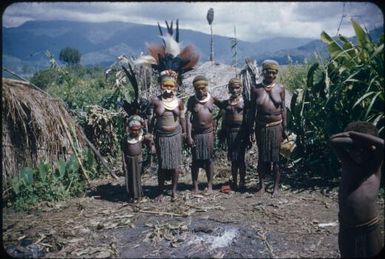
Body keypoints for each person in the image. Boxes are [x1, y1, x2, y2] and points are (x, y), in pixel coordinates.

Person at [329, 121, 384, 258]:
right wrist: (353, 137)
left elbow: (383, 144)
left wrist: (354, 135)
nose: (359, 152)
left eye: (364, 149)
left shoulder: (374, 167)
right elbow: (333, 140)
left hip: (369, 228)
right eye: (354, 148)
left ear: (372, 149)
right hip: (346, 227)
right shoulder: (347, 163)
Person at [248, 59, 286, 196]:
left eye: (274, 73)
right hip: (261, 127)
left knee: (275, 158)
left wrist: (285, 128)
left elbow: (283, 109)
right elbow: (252, 110)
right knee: (262, 157)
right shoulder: (256, 89)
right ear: (263, 73)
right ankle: (261, 186)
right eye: (268, 72)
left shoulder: (280, 89)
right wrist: (250, 129)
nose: (271, 75)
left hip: (276, 127)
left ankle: (276, 187)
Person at [150, 70, 186, 201]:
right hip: (161, 136)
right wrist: (150, 138)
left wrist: (185, 133)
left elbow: (183, 119)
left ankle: (174, 191)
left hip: (175, 136)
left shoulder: (179, 102)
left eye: (171, 86)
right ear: (161, 86)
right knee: (162, 165)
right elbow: (151, 120)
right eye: (166, 85)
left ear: (175, 87)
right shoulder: (155, 101)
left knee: (175, 165)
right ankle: (160, 191)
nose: (168, 89)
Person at [186, 75, 221, 193]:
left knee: (209, 159)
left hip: (209, 133)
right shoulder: (192, 100)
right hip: (196, 134)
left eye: (203, 88)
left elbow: (224, 107)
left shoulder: (213, 99)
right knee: (195, 160)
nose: (201, 91)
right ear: (195, 89)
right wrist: (189, 136)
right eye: (198, 89)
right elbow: (188, 119)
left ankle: (210, 185)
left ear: (207, 87)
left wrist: (217, 118)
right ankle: (195, 186)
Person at [218, 78, 249, 191]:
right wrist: (223, 132)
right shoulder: (226, 103)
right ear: (229, 89)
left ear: (241, 88)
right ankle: (235, 181)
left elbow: (249, 119)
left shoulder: (245, 102)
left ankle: (242, 182)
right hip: (230, 132)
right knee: (233, 159)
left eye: (237, 87)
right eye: (232, 88)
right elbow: (223, 118)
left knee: (241, 158)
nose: (235, 90)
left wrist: (250, 134)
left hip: (241, 132)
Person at [122, 115, 155, 203]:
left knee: (137, 177)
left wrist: (151, 147)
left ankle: (138, 195)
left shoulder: (141, 138)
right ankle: (131, 195)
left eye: (137, 130)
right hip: (129, 160)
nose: (135, 132)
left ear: (139, 130)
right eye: (133, 130)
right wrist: (123, 162)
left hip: (138, 160)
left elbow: (150, 141)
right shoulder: (126, 138)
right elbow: (123, 150)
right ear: (129, 129)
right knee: (130, 177)